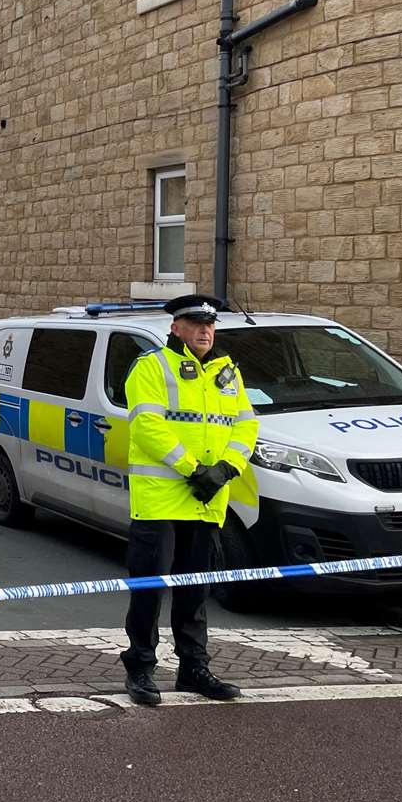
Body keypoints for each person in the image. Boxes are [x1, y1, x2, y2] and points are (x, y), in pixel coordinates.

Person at [120, 293, 259, 707]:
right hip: (161, 498)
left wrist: (227, 470)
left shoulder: (227, 373)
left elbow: (246, 426)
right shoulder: (152, 366)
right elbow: (147, 426)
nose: (205, 331)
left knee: (195, 592)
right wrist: (194, 470)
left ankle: (193, 669)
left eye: (210, 325)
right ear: (176, 328)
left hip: (208, 500)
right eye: (196, 324)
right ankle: (141, 669)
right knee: (149, 589)